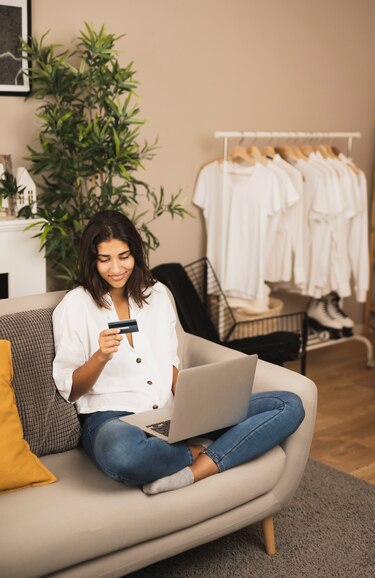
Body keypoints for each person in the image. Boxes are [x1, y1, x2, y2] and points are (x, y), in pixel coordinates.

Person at [52, 210, 305, 494]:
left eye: (124, 256)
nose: (116, 268)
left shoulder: (158, 295)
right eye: (104, 259)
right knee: (122, 452)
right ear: (91, 260)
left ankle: (197, 470)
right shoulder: (75, 306)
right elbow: (71, 390)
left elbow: (169, 365)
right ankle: (198, 451)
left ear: (136, 254)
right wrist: (100, 357)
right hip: (113, 419)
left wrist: (201, 408)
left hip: (171, 412)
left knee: (289, 404)